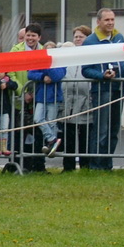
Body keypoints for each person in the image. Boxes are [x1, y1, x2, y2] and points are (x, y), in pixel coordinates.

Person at [80, 7, 124, 171]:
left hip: (118, 89)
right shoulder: (90, 41)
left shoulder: (119, 37)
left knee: (114, 129)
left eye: (112, 19)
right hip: (102, 90)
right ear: (98, 22)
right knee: (102, 130)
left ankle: (108, 164)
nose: (111, 23)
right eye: (107, 20)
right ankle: (96, 165)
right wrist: (101, 75)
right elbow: (86, 69)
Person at [23, 23, 65, 158]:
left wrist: (48, 65)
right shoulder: (39, 61)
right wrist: (42, 76)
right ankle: (52, 139)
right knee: (38, 118)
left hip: (53, 97)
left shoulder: (60, 63)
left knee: (51, 121)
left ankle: (51, 144)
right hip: (41, 95)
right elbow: (31, 74)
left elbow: (57, 76)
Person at [61, 25, 92, 170]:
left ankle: (85, 166)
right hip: (68, 103)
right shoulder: (68, 57)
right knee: (68, 138)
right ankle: (68, 167)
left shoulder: (90, 56)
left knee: (84, 137)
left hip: (86, 102)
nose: (78, 39)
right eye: (76, 37)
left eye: (81, 36)